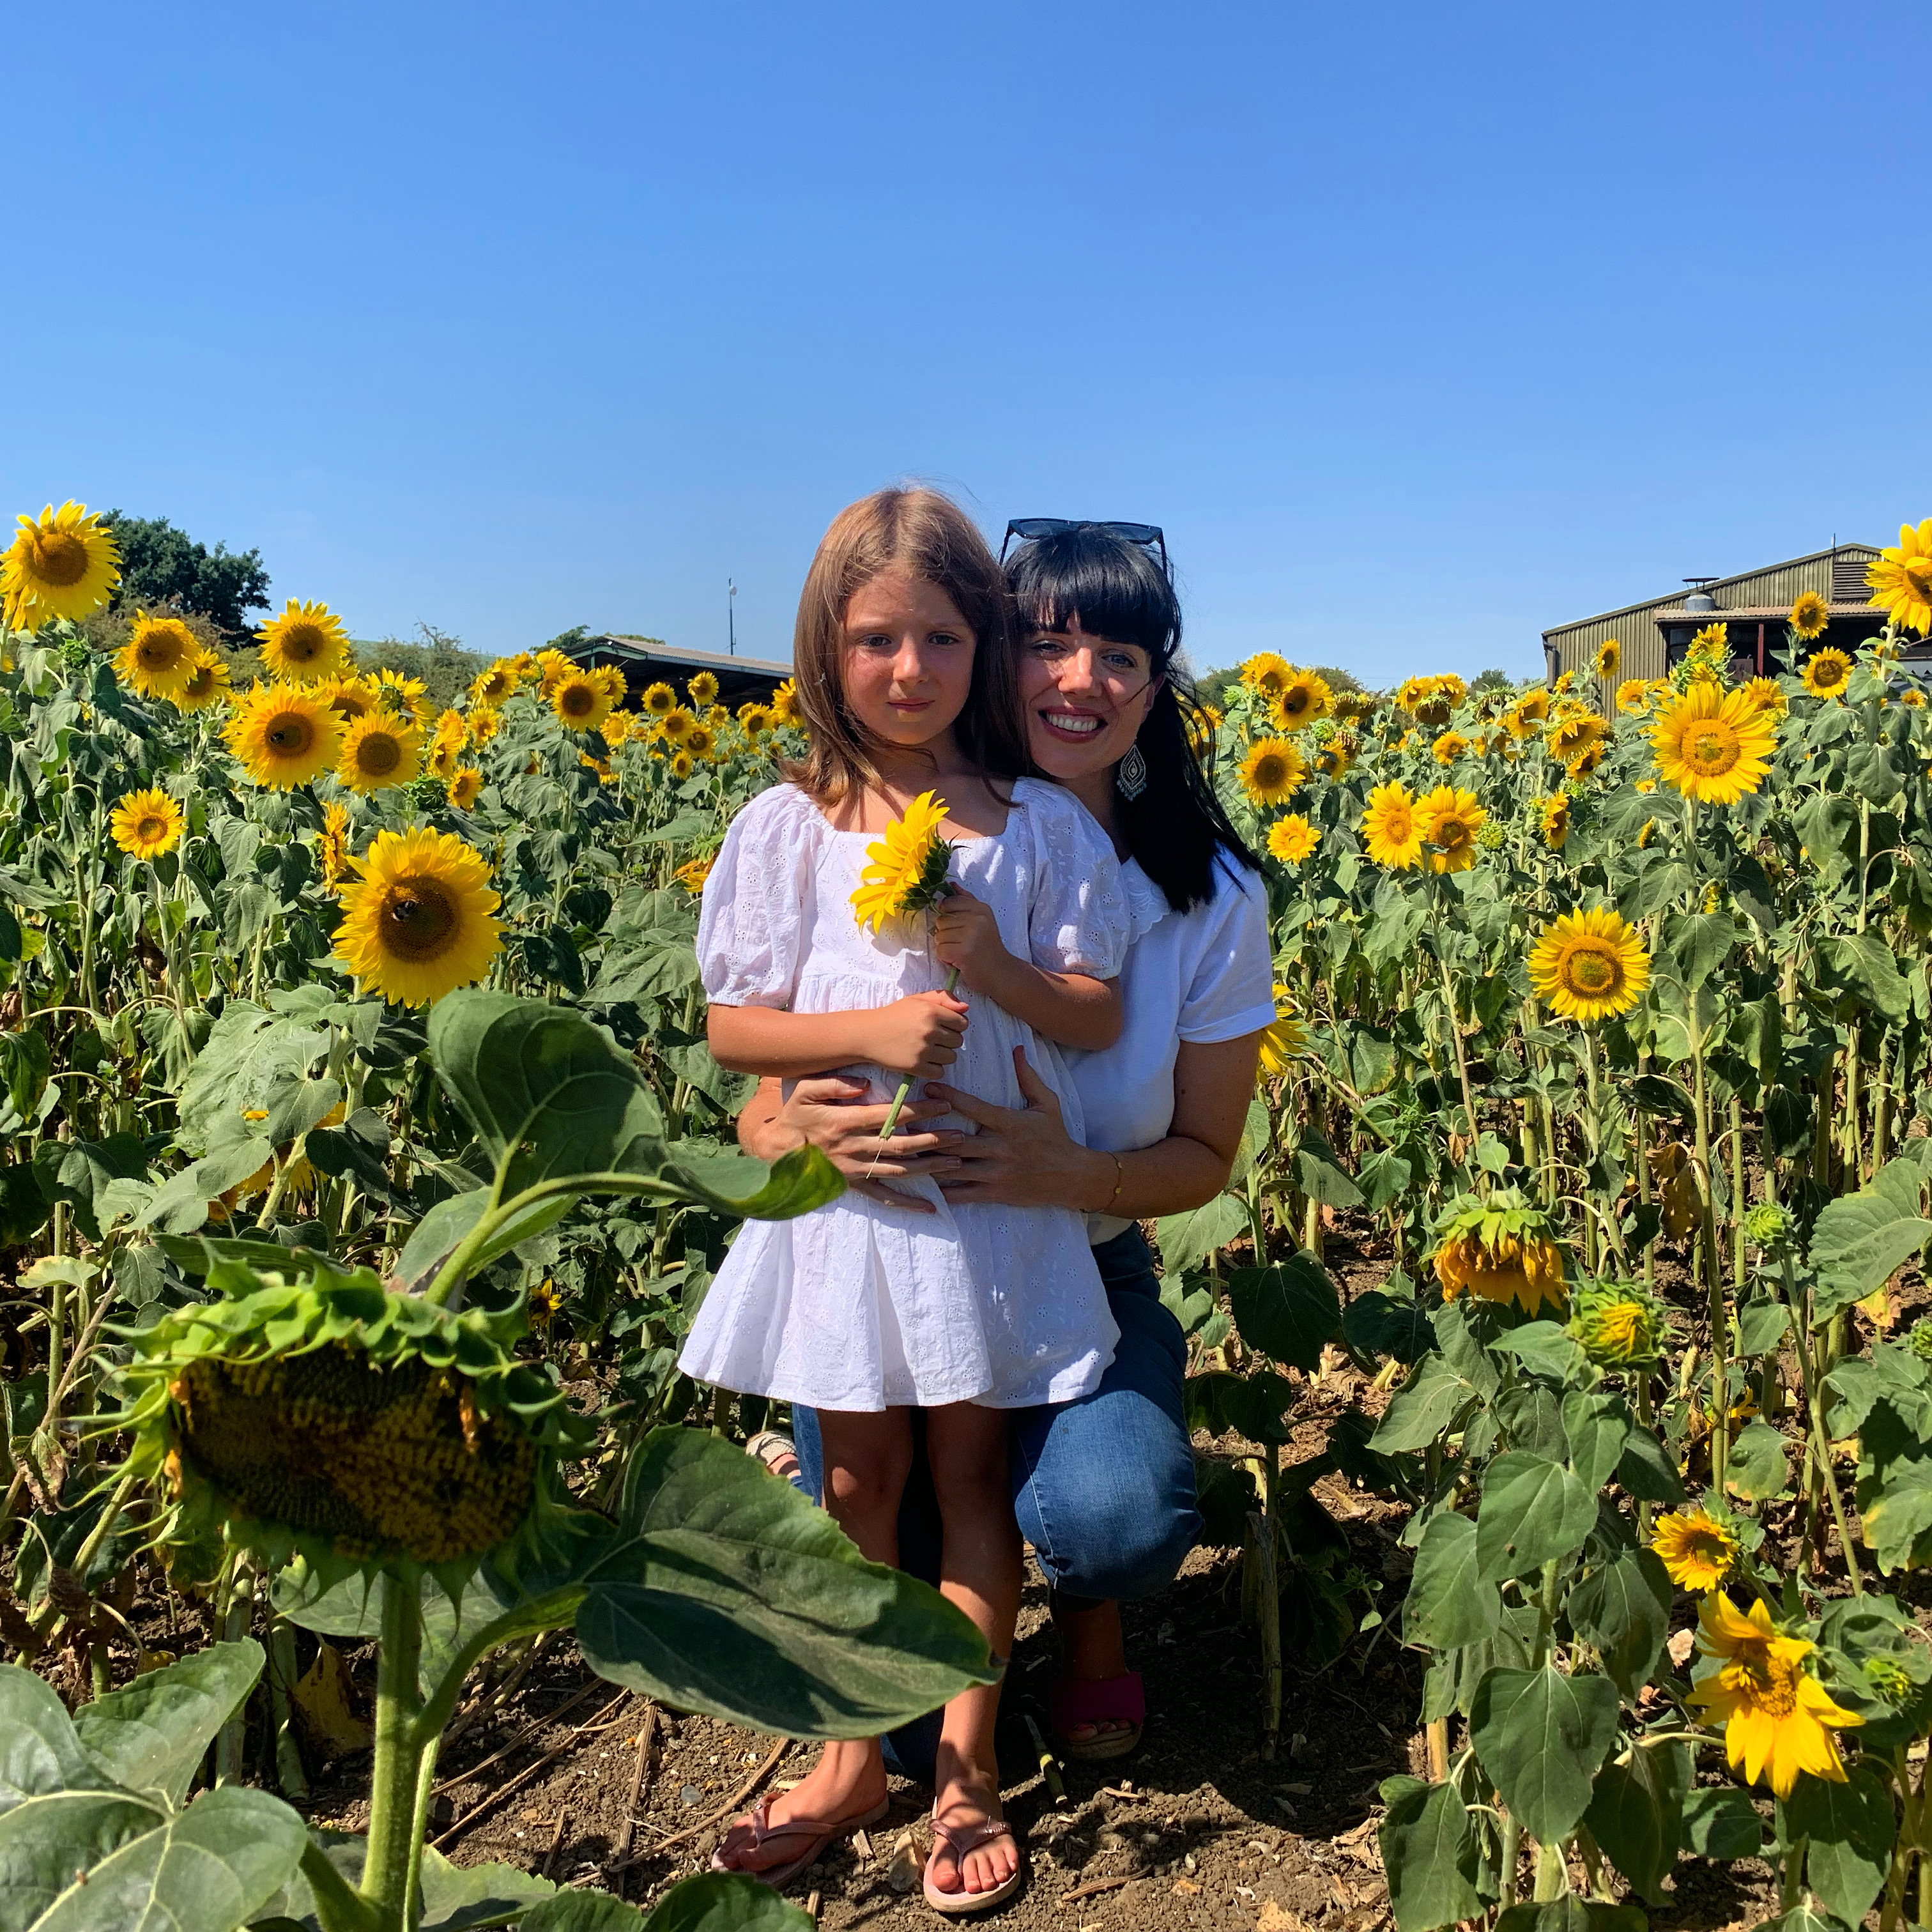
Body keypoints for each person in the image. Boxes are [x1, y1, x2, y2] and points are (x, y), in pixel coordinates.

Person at [738, 519, 1273, 1769]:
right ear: (991, 658)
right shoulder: (884, 842)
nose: (1079, 681)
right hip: (894, 1272)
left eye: (1120, 657)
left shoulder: (1209, 900)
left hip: (1085, 1260)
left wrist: (1060, 1173)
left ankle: (1091, 1624)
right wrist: (786, 1124)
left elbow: (1205, 1158)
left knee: (1113, 1517)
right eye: (1046, 643)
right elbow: (766, 1097)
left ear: (1155, 688)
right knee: (912, 1732)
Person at [691, 489, 1132, 1912]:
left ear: (981, 645)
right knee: (849, 1485)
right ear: (828, 649)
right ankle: (844, 1751)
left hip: (980, 1208)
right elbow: (735, 1026)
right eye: (877, 639)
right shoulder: (786, 826)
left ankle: (964, 1757)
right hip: (844, 1211)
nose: (909, 671)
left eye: (941, 638)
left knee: (967, 1483)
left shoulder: (1037, 833)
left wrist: (986, 961)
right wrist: (865, 1042)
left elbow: (1088, 1013)